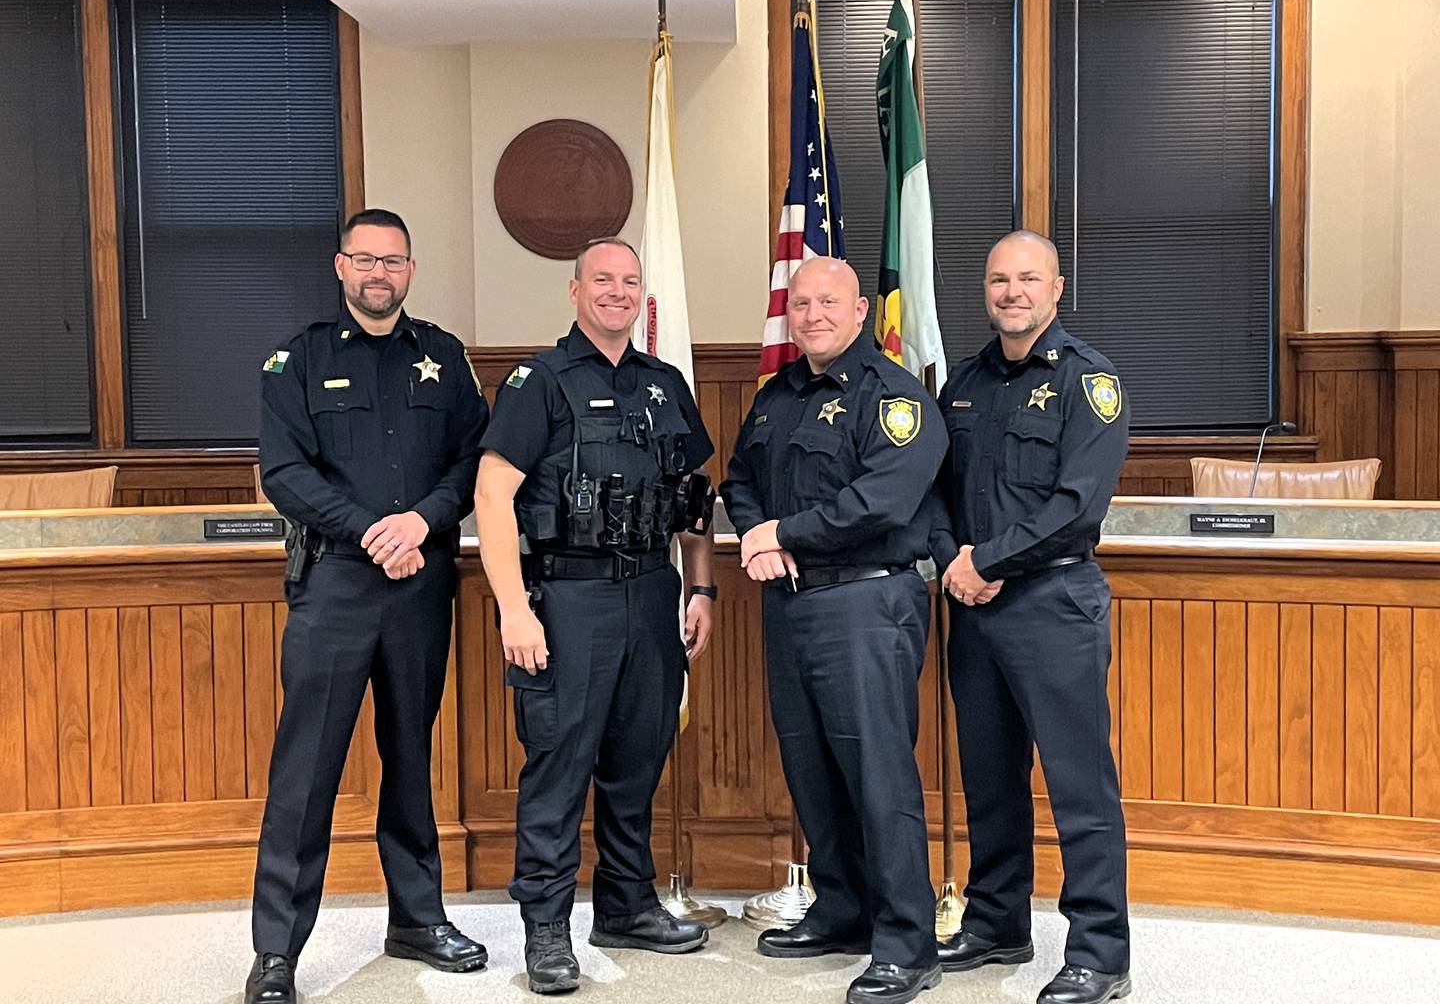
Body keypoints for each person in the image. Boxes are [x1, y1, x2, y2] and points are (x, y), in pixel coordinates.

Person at [246, 209, 490, 1004]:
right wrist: (374, 532)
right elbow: (284, 472)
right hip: (337, 587)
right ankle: (277, 952)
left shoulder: (444, 358)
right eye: (365, 259)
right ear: (341, 266)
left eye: (394, 261)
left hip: (420, 586)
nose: (379, 273)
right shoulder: (297, 361)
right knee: (306, 771)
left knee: (412, 760)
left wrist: (420, 521)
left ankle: (417, 919)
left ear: (410, 271)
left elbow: (472, 462)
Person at [474, 237, 718, 995]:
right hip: (567, 598)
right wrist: (514, 609)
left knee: (637, 761)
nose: (617, 292)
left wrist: (700, 588)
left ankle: (625, 904)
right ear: (574, 291)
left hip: (651, 593)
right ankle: (547, 929)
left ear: (643, 297)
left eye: (629, 282)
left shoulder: (665, 383)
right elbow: (491, 495)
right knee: (559, 767)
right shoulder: (537, 382)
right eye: (602, 280)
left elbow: (694, 500)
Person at [722, 256, 946, 1004]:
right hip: (790, 603)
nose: (813, 313)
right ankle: (843, 908)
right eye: (802, 301)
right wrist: (762, 537)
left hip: (867, 604)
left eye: (830, 302)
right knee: (811, 768)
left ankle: (906, 942)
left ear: (860, 312)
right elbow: (739, 480)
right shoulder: (779, 395)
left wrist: (786, 532)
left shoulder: (893, 396)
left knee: (879, 774)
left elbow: (883, 500)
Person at [930, 230, 1131, 1004]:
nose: (1011, 292)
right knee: (990, 779)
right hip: (974, 609)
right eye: (998, 280)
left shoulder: (1090, 382)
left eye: (1027, 279)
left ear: (1056, 287)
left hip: (1053, 602)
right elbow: (936, 494)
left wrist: (984, 562)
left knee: (1080, 788)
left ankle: (1101, 952)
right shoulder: (964, 384)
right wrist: (957, 560)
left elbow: (1077, 509)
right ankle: (996, 921)